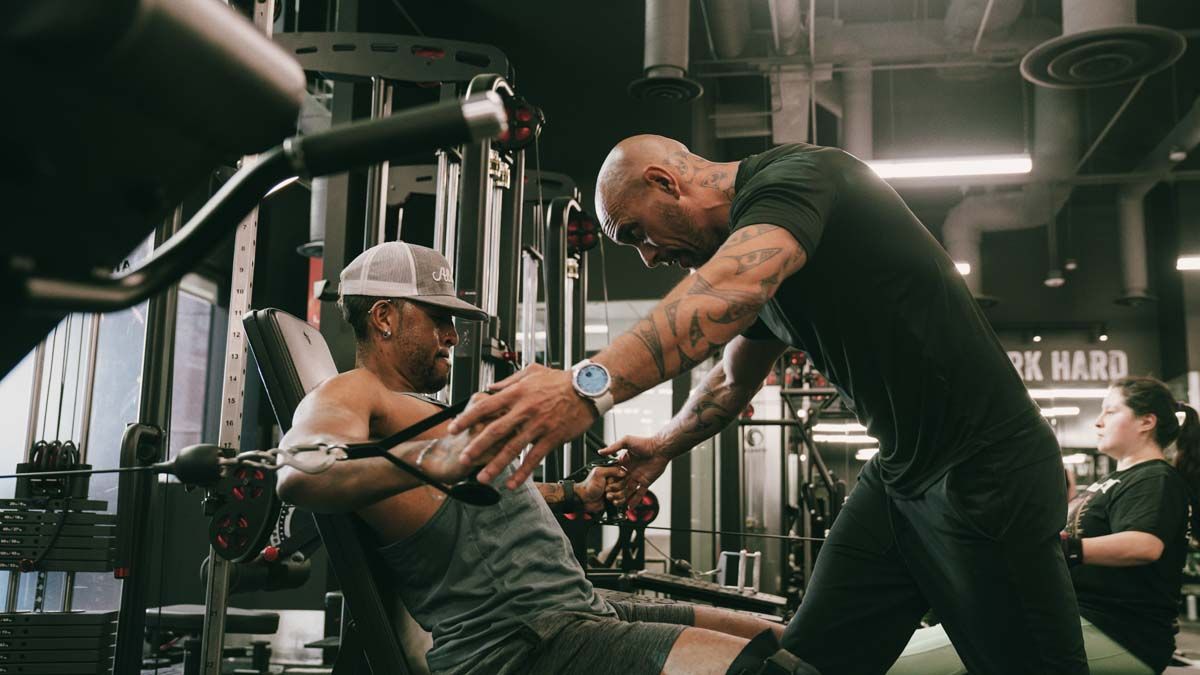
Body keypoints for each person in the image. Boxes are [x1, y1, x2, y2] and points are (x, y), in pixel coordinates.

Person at [450, 136, 1088, 673]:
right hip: (900, 480)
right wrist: (662, 447)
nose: (647, 256)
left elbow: (730, 285)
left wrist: (585, 385)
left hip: (985, 468)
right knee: (803, 666)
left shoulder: (799, 180)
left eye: (636, 233)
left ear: (663, 181)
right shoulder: (769, 276)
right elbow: (729, 384)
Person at [276, 241, 802, 675]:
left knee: (798, 641)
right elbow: (299, 473)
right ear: (385, 317)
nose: (453, 337)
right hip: (522, 644)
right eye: (438, 318)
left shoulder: (428, 410)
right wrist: (425, 457)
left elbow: (469, 505)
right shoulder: (352, 392)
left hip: (577, 610)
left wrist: (576, 493)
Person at [889, 376, 1200, 675]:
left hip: (1119, 632)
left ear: (1147, 421)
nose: (1098, 421)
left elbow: (1143, 545)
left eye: (1111, 410)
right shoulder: (1111, 481)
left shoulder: (1154, 478)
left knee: (902, 662)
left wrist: (1060, 549)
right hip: (1070, 618)